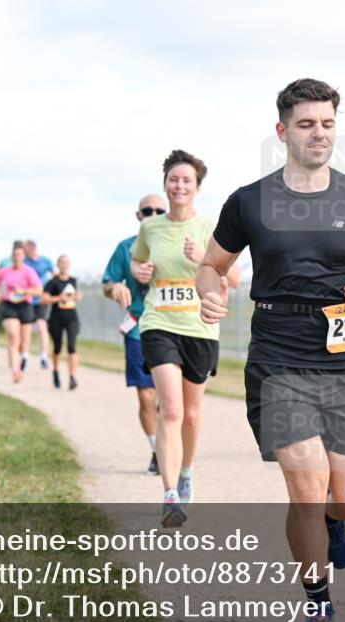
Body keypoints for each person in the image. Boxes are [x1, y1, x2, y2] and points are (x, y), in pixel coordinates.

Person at [197, 78, 345, 622]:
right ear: (283, 131)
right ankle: (319, 606)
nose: (318, 133)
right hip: (278, 352)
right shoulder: (249, 201)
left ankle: (334, 521)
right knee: (306, 486)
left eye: (327, 123)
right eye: (306, 124)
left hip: (341, 355)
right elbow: (212, 264)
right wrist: (211, 290)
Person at [132, 150, 241, 527]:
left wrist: (203, 260)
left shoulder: (211, 227)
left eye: (186, 181)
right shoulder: (151, 228)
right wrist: (141, 270)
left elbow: (237, 278)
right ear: (165, 183)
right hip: (158, 322)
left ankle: (186, 471)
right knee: (172, 410)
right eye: (173, 179)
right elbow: (137, 259)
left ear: (197, 188)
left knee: (192, 416)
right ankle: (169, 495)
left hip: (199, 327)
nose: (179, 186)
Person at [102, 193, 167, 475]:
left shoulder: (174, 245)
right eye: (147, 210)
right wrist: (114, 289)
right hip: (138, 327)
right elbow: (108, 282)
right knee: (146, 395)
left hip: (173, 326)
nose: (152, 214)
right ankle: (157, 451)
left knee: (169, 397)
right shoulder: (125, 248)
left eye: (158, 210)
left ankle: (171, 446)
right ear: (138, 216)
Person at [0, 244, 42, 382]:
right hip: (9, 305)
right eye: (14, 255)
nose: (17, 258)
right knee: (14, 338)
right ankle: (15, 370)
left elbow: (38, 289)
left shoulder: (29, 271)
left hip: (25, 305)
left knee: (24, 341)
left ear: (23, 257)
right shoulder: (4, 271)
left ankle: (23, 357)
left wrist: (25, 291)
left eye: (20, 255)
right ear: (12, 256)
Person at [42, 255, 83, 390]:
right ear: (58, 265)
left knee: (72, 346)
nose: (64, 265)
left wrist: (77, 297)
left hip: (71, 317)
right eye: (62, 262)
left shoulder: (73, 280)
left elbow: (77, 295)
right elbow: (44, 299)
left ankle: (72, 377)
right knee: (58, 347)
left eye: (67, 262)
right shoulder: (52, 282)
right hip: (56, 317)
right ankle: (55, 371)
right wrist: (59, 298)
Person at [24, 240, 55, 371]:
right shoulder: (24, 262)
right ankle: (24, 356)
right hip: (28, 299)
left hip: (41, 300)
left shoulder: (46, 261)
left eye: (28, 249)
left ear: (33, 248)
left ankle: (43, 356)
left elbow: (54, 276)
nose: (27, 252)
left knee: (42, 327)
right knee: (27, 330)